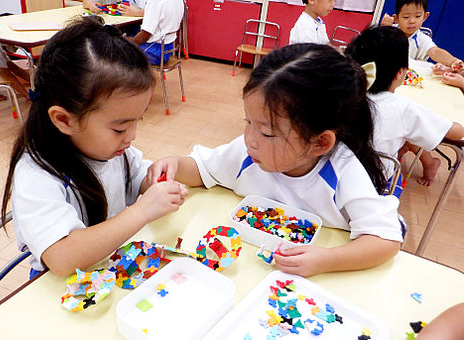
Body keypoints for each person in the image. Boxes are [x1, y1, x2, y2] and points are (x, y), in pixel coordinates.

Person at [147, 44, 403, 277]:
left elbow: (385, 239)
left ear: (319, 142)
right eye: (248, 122)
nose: (250, 139)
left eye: (268, 132)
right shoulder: (248, 152)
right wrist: (176, 165)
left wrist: (327, 259)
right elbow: (204, 170)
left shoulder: (343, 171)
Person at [0, 16, 187, 278]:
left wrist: (154, 179)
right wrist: (143, 210)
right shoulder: (37, 174)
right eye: (120, 128)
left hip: (111, 270)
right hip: (62, 289)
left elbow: (134, 177)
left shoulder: (111, 150)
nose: (131, 136)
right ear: (64, 119)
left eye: (137, 122)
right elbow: (63, 257)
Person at [345, 26, 464, 187]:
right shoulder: (404, 107)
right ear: (400, 73)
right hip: (373, 182)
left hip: (333, 174)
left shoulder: (343, 90)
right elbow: (457, 132)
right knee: (408, 131)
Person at [83, 0, 184, 65]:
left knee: (113, 52)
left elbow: (145, 34)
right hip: (168, 47)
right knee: (122, 37)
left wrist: (128, 42)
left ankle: (121, 88)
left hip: (155, 50)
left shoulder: (154, 2)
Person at [381, 0, 463, 69]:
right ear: (396, 18)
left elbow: (435, 52)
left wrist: (453, 61)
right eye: (406, 17)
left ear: (425, 17)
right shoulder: (389, 31)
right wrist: (383, 31)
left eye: (417, 16)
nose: (412, 21)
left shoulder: (422, 38)